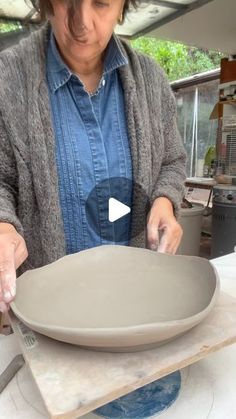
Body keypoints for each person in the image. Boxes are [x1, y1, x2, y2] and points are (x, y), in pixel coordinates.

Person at [0, 0, 186, 313]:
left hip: (137, 305)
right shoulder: (8, 80)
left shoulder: (151, 82)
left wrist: (165, 201)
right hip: (48, 313)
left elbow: (172, 161)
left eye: (100, 3)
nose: (82, 23)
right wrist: (4, 228)